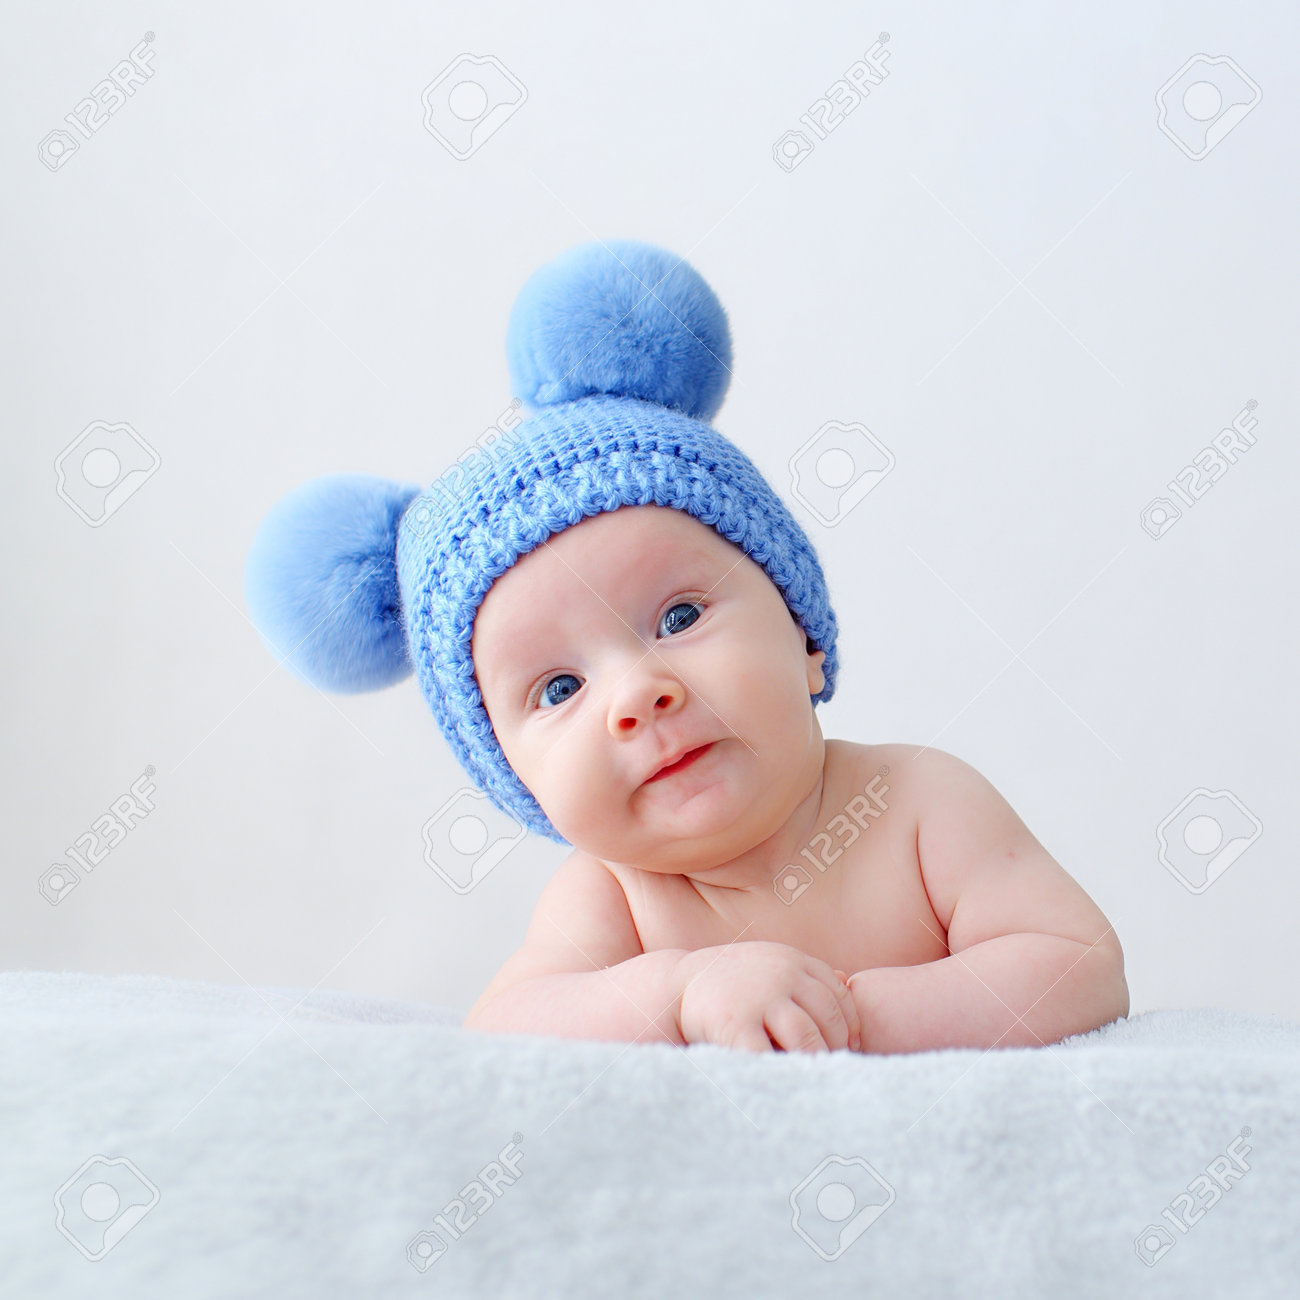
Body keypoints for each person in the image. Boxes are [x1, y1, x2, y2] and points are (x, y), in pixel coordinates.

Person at [244, 239, 1129, 1055]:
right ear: (521, 783)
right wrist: (679, 994)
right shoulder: (616, 898)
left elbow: (1076, 963)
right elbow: (507, 1024)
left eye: (677, 620)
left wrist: (847, 1018)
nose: (638, 694)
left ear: (804, 635)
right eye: (557, 689)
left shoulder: (921, 805)